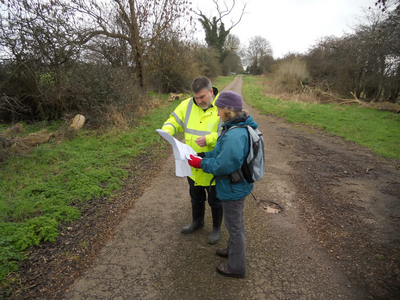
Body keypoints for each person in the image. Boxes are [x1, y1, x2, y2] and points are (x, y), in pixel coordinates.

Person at [188, 91, 257, 278]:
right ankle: (231, 251)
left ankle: (236, 267)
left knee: (235, 227)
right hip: (236, 186)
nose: (217, 113)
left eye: (219, 109)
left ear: (227, 110)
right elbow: (221, 154)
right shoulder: (233, 128)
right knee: (235, 223)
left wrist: (200, 164)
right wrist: (203, 156)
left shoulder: (235, 135)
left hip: (233, 188)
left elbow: (222, 165)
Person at [162, 76, 223, 244]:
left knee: (215, 199)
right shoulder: (187, 104)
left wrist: (210, 138)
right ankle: (198, 221)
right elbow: (174, 120)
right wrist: (167, 130)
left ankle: (217, 228)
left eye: (202, 97)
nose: (199, 101)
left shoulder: (223, 105)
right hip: (192, 161)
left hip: (212, 163)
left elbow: (229, 133)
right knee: (195, 195)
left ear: (211, 91)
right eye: (196, 98)